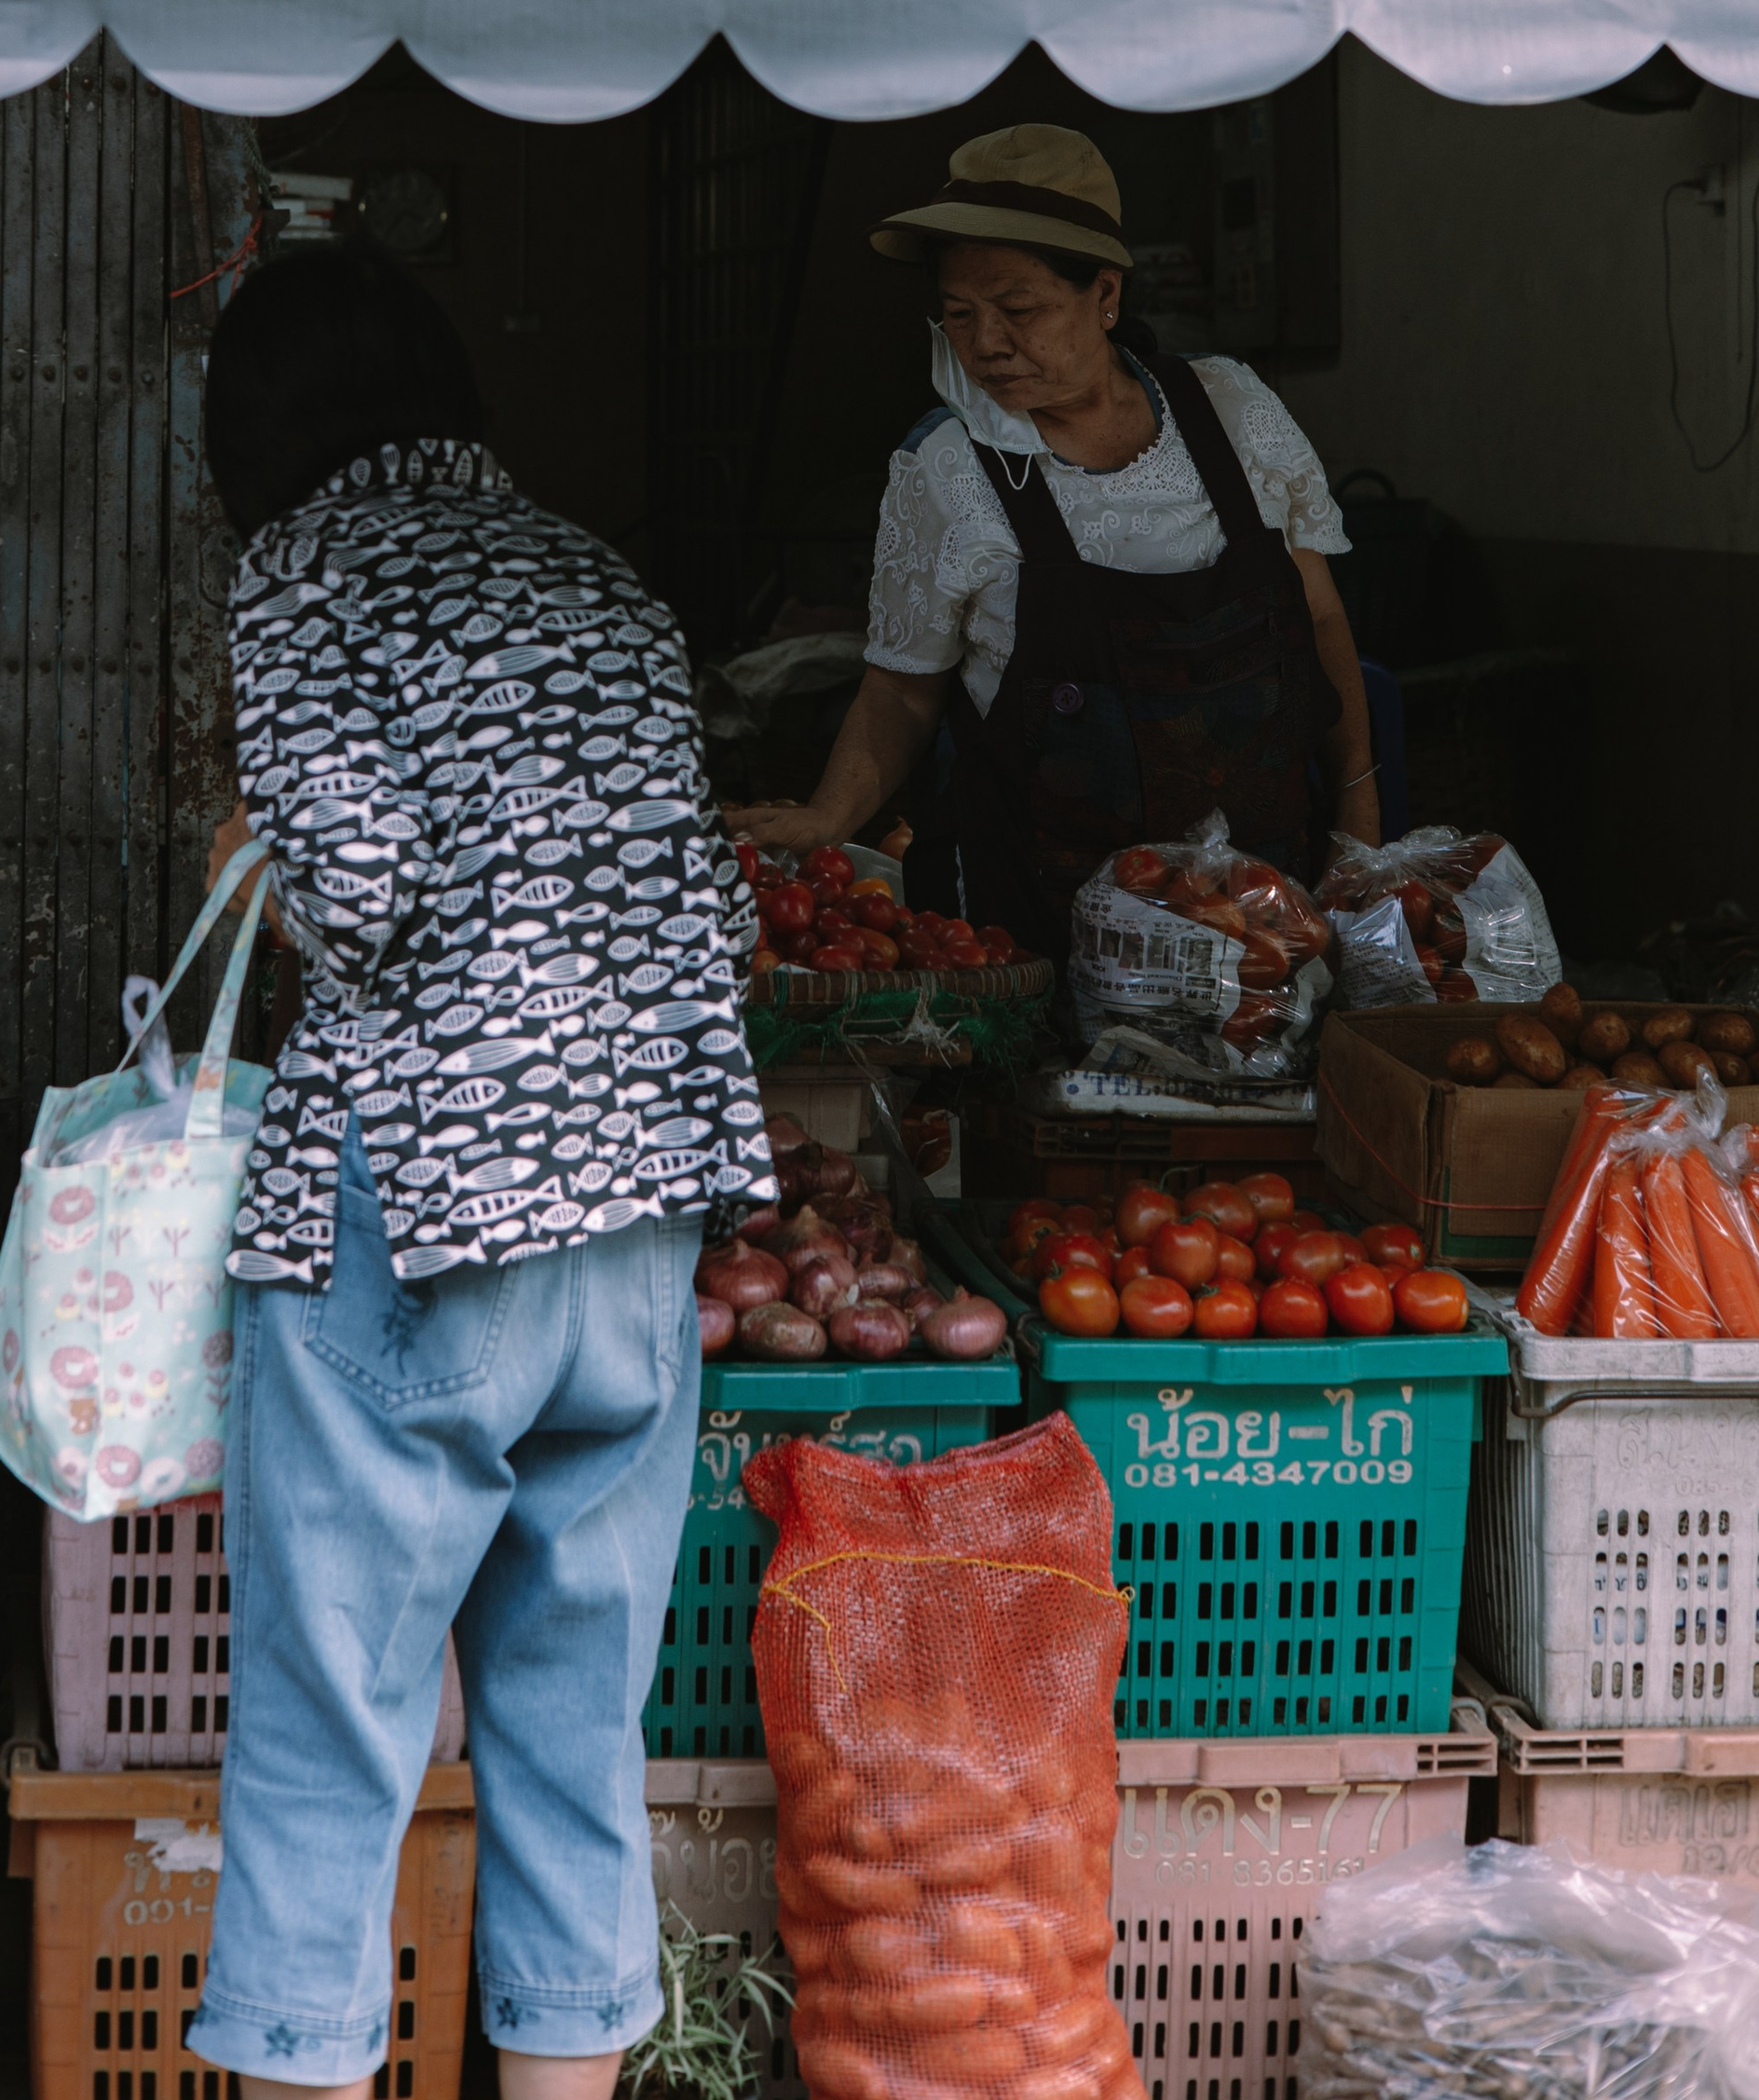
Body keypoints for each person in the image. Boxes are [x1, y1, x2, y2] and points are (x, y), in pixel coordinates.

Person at [184, 241, 774, 2100]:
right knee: (571, 1725)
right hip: (632, 1231)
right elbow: (718, 904)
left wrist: (256, 856)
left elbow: (357, 891)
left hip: (421, 1215)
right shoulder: (600, 579)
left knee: (326, 1728)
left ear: (252, 437)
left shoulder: (299, 575)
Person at [732, 122, 1376, 963]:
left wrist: (1359, 824)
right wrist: (827, 815)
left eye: (1020, 310)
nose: (988, 344)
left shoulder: (1231, 412)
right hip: (1033, 930)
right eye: (959, 315)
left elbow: (1319, 621)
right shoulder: (949, 469)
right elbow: (902, 692)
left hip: (1258, 921)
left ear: (1105, 296)